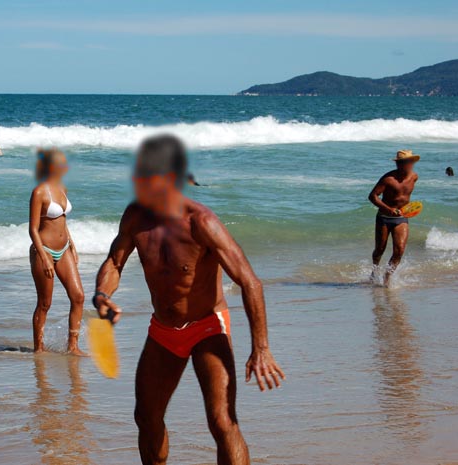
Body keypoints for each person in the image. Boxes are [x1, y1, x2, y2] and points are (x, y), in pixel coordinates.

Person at [93, 135, 285, 465]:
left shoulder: (202, 223)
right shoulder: (136, 217)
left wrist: (262, 348)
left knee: (222, 421)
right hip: (164, 331)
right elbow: (114, 262)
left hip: (208, 326)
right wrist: (102, 295)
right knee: (146, 417)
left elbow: (250, 283)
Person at [29, 148, 85, 355]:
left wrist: (72, 245)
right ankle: (39, 349)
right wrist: (43, 258)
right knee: (45, 303)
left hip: (64, 249)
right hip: (43, 250)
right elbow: (33, 229)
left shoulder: (62, 188)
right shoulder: (39, 192)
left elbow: (63, 221)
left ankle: (73, 346)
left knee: (78, 296)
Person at [368, 149, 420, 286]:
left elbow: (404, 196)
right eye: (400, 163)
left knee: (399, 250)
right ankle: (374, 271)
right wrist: (388, 209)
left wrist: (410, 209)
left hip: (402, 218)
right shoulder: (388, 179)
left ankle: (387, 278)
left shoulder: (414, 177)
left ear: (412, 162)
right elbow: (372, 196)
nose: (403, 165)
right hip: (384, 217)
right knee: (380, 249)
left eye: (407, 162)